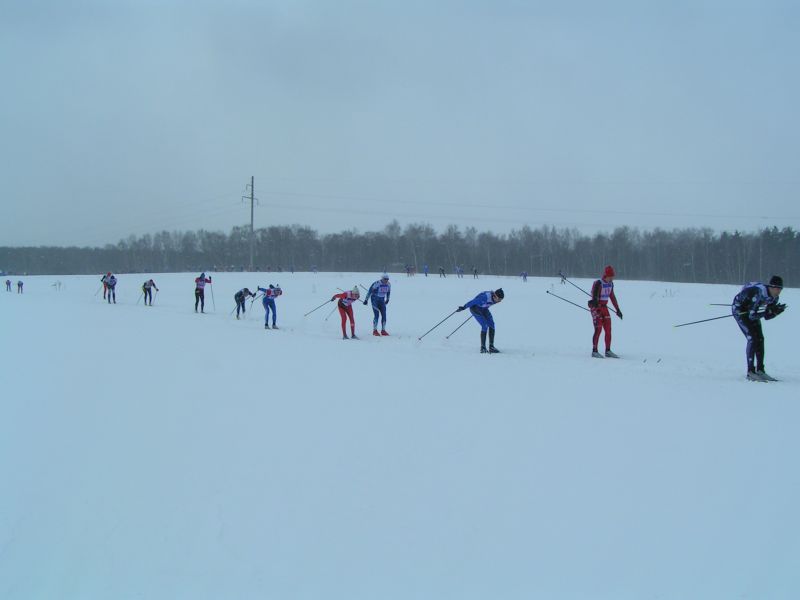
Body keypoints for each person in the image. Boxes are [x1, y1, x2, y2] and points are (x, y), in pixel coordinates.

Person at [732, 275, 786, 381]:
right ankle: (750, 371)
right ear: (770, 287)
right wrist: (769, 311)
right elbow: (753, 315)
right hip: (741, 311)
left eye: (780, 289)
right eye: (776, 288)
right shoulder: (759, 293)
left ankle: (760, 370)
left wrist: (776, 312)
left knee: (760, 339)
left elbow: (766, 317)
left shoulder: (775, 298)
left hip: (752, 311)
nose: (778, 291)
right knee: (752, 339)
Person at [588, 265, 622, 358]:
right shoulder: (598, 283)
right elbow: (594, 296)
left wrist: (617, 309)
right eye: (610, 276)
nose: (612, 278)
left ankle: (608, 350)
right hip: (596, 308)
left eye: (612, 276)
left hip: (605, 308)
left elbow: (612, 297)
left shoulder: (611, 284)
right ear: (606, 275)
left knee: (608, 329)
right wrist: (595, 303)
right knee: (598, 329)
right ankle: (594, 351)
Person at [457, 288, 504, 353]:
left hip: (484, 309)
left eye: (501, 300)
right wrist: (463, 307)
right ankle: (483, 347)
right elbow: (472, 302)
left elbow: (488, 304)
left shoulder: (495, 299)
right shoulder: (484, 297)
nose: (499, 301)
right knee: (485, 325)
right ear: (494, 295)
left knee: (492, 324)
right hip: (475, 308)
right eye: (499, 299)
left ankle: (491, 347)